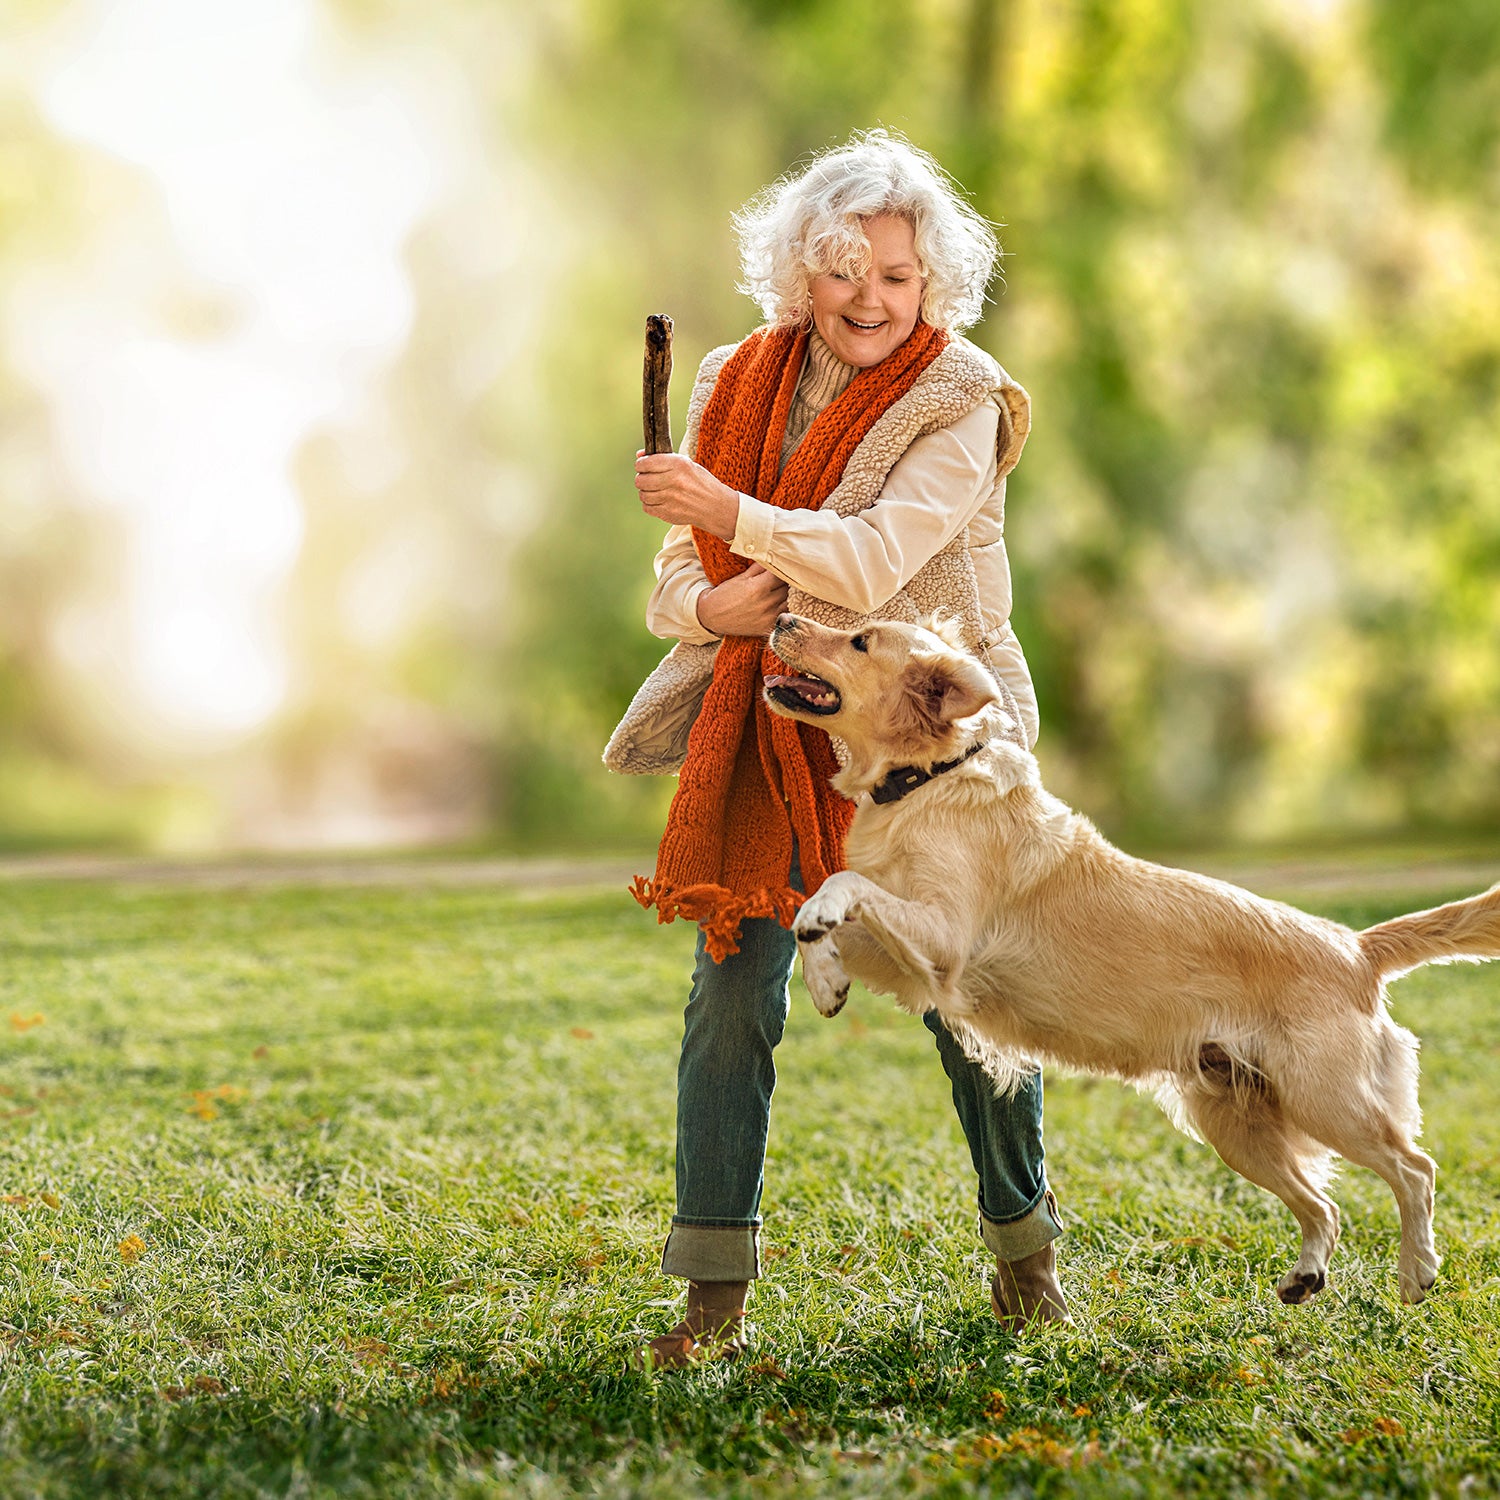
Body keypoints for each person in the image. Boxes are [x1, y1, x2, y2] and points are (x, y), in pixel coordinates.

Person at [616, 129, 1065, 1369]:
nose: (871, 299)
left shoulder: (961, 400)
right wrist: (713, 606)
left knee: (972, 1000)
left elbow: (873, 557)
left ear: (936, 287)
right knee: (728, 1003)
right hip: (772, 727)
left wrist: (724, 513)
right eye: (843, 271)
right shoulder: (732, 380)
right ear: (797, 274)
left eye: (899, 277)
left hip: (931, 743)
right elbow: (672, 581)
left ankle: (1026, 1258)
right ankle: (712, 1297)